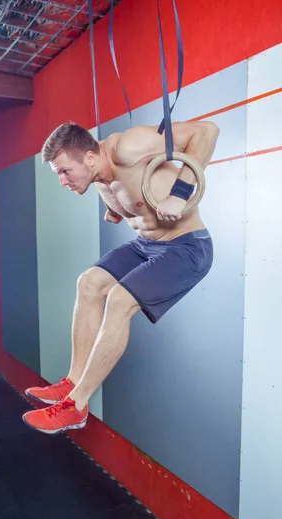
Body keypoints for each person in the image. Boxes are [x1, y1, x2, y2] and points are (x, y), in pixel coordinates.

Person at [22, 120, 220, 434]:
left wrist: (181, 193)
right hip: (147, 245)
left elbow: (207, 131)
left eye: (64, 171)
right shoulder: (97, 171)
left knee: (118, 299)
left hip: (186, 247)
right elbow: (130, 190)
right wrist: (117, 209)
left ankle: (77, 405)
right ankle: (71, 382)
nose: (62, 181)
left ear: (88, 158)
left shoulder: (130, 146)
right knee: (88, 282)